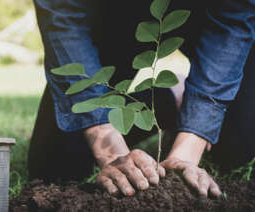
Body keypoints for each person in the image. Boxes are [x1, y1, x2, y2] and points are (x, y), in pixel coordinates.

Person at [28, 0, 255, 197]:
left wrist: (187, 150)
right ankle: (174, 95)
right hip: (111, 14)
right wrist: (111, 153)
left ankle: (188, 105)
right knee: (56, 164)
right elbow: (63, 20)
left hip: (207, 12)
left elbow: (232, 23)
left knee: (238, 149)